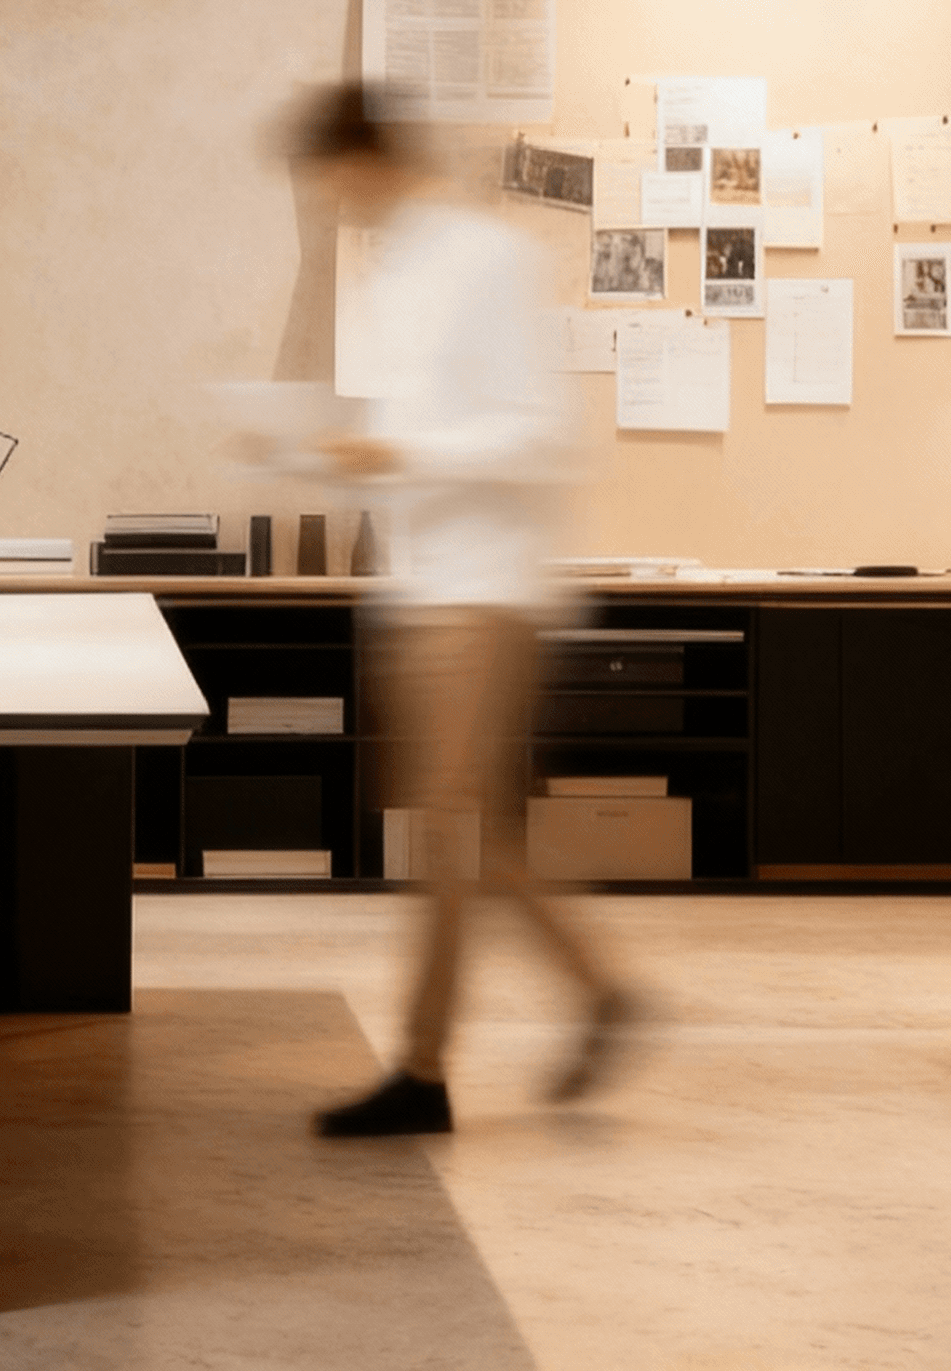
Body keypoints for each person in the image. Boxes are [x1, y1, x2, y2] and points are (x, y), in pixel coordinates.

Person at [284, 85, 637, 1139]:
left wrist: (398, 453)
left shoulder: (485, 259)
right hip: (421, 587)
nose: (328, 200)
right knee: (467, 834)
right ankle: (598, 993)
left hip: (485, 589)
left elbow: (541, 433)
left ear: (367, 160)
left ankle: (426, 1069)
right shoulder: (393, 273)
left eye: (331, 176)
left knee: (447, 828)